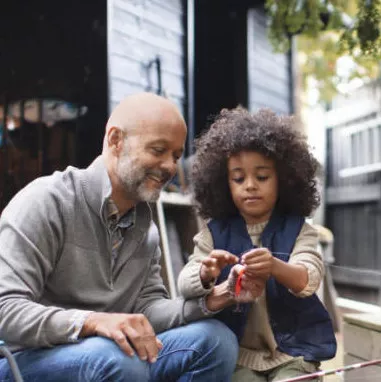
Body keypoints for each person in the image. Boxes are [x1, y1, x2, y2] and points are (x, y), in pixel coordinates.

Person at [0, 93, 260, 382]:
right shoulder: (46, 201)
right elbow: (5, 310)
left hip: (111, 358)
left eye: (175, 155)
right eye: (158, 150)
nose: (169, 167)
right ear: (115, 140)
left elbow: (148, 310)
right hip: (25, 360)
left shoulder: (143, 226)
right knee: (121, 360)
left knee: (216, 341)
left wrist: (217, 297)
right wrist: (93, 322)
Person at [177, 107, 337, 382]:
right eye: (238, 178)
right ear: (223, 183)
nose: (249, 185)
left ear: (285, 179)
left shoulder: (300, 230)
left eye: (262, 177)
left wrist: (275, 266)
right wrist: (206, 273)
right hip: (239, 356)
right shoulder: (212, 234)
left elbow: (309, 279)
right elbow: (184, 284)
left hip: (293, 354)